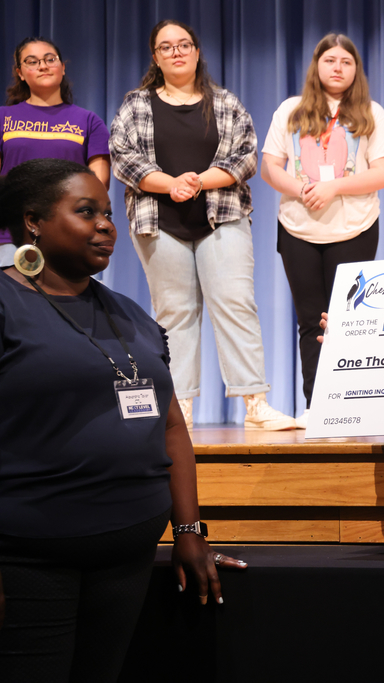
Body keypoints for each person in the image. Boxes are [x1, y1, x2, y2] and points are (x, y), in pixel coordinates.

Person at [0, 158, 244, 680]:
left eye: (108, 214)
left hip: (127, 555)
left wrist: (188, 530)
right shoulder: (6, 303)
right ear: (33, 221)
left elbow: (171, 426)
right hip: (30, 558)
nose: (106, 225)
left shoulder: (130, 313)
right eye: (86, 212)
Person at [110, 19, 295, 430]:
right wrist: (170, 185)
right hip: (159, 221)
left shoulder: (226, 103)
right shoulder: (136, 105)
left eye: (184, 45)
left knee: (235, 303)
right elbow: (123, 157)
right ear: (155, 57)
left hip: (222, 217)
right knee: (174, 313)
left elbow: (246, 156)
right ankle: (181, 409)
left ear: (196, 52)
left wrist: (195, 182)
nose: (176, 52)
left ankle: (255, 404)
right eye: (166, 47)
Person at [261, 33, 384, 430]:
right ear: (316, 65)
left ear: (356, 70)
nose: (337, 68)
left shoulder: (372, 113)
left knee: (347, 323)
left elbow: (383, 173)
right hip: (298, 230)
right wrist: (302, 190)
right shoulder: (290, 110)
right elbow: (270, 166)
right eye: (330, 60)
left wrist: (333, 186)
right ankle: (317, 406)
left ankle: (351, 407)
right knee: (310, 322)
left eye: (346, 62)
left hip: (355, 229)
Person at [0, 36, 110, 268]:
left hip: (68, 235)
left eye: (50, 59)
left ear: (62, 67)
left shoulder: (88, 121)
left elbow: (98, 185)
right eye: (32, 61)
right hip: (11, 235)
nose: (43, 66)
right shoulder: (3, 117)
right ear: (20, 73)